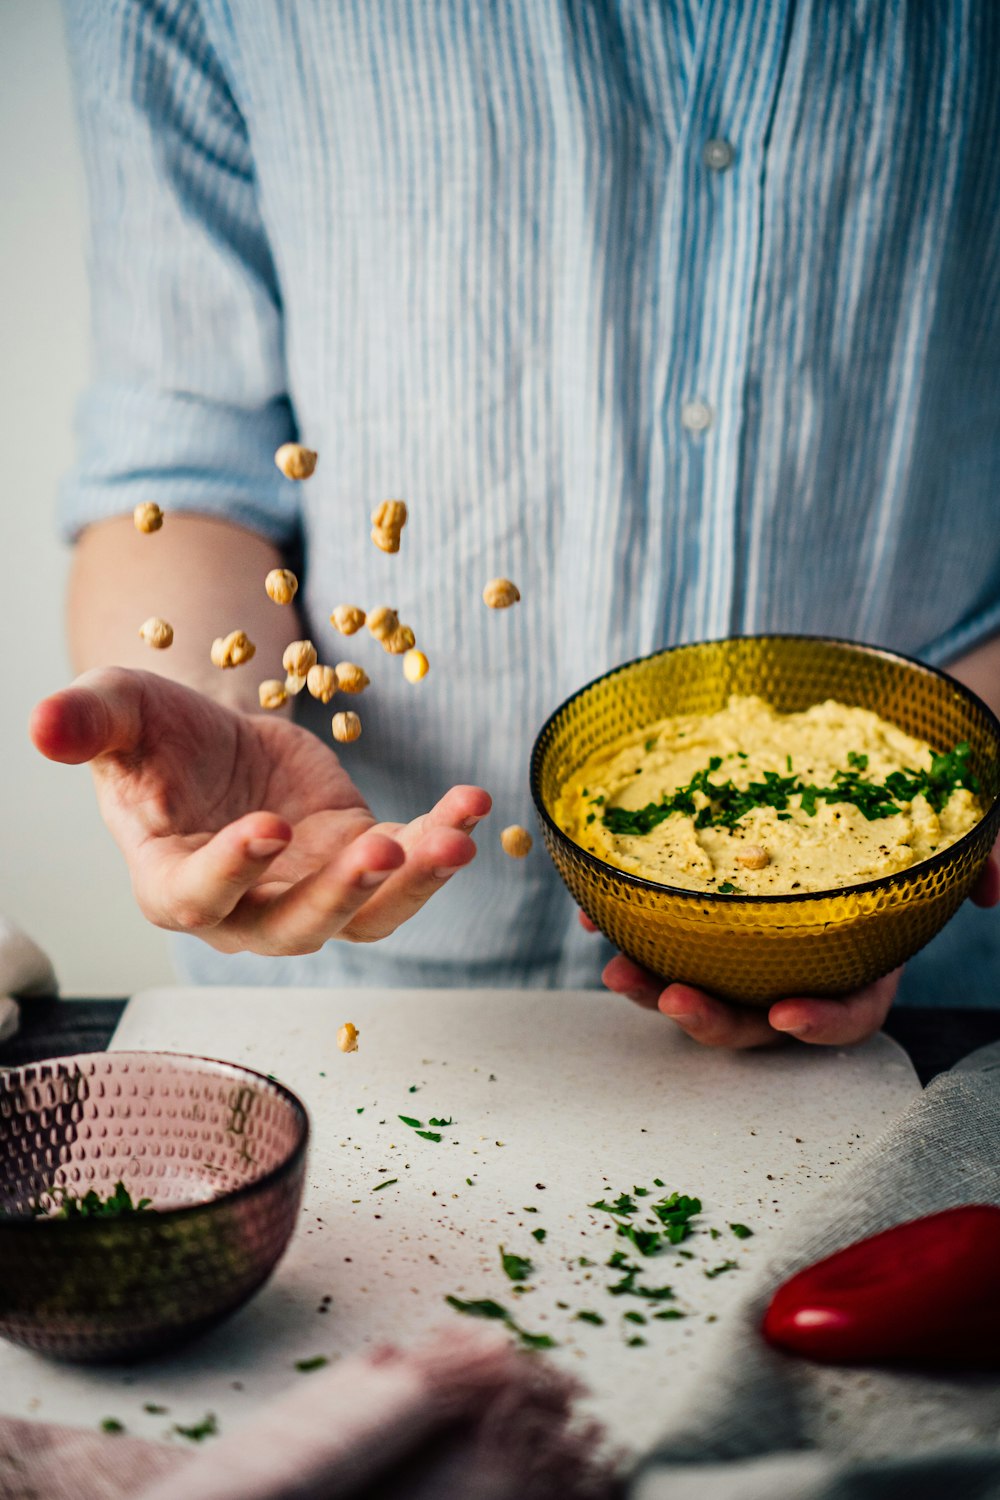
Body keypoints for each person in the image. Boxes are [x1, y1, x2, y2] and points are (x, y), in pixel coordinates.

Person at [32, 1, 999, 1049]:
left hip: (932, 977)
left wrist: (904, 850)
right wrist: (203, 711)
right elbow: (183, 462)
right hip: (366, 970)